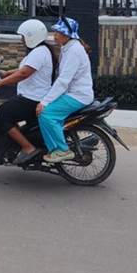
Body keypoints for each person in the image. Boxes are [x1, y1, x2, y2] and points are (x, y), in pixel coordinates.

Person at [0, 19, 57, 165]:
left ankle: (28, 148)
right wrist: (6, 73)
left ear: (32, 36)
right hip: (32, 96)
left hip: (32, 98)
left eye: (23, 36)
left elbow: (24, 74)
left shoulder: (39, 52)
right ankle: (19, 143)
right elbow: (24, 69)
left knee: (2, 116)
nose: (21, 40)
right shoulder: (40, 50)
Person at [37, 16, 94, 164]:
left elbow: (63, 80)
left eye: (58, 32)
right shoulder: (67, 47)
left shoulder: (74, 51)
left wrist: (45, 101)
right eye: (55, 31)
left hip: (77, 96)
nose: (55, 34)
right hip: (72, 93)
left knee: (46, 114)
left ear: (68, 35)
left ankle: (62, 149)